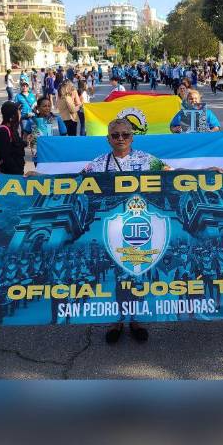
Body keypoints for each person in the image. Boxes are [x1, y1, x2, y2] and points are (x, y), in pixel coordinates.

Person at [81, 118, 172, 345]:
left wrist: (208, 172)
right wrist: (40, 178)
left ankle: (137, 319)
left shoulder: (147, 160)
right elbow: (72, 182)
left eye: (125, 134)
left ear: (132, 137)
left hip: (140, 226)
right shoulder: (97, 164)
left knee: (137, 273)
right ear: (108, 139)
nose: (120, 139)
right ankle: (116, 320)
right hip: (110, 230)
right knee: (116, 275)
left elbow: (174, 176)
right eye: (115, 135)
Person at [23, 96, 67, 166]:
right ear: (38, 108)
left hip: (54, 154)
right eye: (44, 106)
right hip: (39, 156)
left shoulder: (57, 119)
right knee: (41, 175)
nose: (47, 108)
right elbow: (25, 137)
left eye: (49, 106)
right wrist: (28, 139)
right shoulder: (32, 121)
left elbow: (65, 135)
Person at [0, 101, 26, 175]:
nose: (20, 114)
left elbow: (16, 145)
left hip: (16, 172)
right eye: (18, 112)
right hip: (8, 175)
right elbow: (6, 156)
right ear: (12, 116)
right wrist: (17, 173)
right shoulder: (3, 131)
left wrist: (26, 141)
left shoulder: (13, 129)